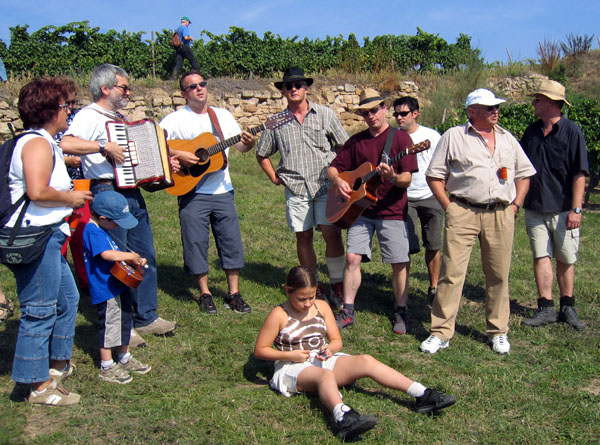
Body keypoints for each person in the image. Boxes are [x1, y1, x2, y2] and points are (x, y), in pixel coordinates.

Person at [254, 266, 456, 441]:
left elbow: (336, 341)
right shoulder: (279, 314)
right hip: (292, 367)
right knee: (325, 376)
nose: (307, 303)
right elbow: (260, 350)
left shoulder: (322, 307)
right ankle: (344, 417)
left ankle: (422, 394)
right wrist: (291, 356)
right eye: (301, 299)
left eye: (311, 297)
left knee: (366, 360)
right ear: (288, 291)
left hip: (321, 359)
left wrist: (330, 349)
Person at [59, 63, 176, 345]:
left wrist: (161, 164)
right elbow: (66, 143)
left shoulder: (120, 118)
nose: (128, 91)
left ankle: (145, 316)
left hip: (132, 191)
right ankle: (124, 326)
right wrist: (102, 147)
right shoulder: (89, 115)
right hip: (106, 190)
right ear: (106, 88)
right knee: (116, 258)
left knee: (144, 252)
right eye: (124, 87)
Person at [420, 88, 536, 355]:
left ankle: (498, 332)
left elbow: (524, 174)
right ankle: (440, 332)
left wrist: (516, 205)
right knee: (451, 274)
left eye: (496, 106)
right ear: (472, 112)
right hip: (463, 211)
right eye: (489, 107)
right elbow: (434, 176)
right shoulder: (454, 136)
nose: (496, 111)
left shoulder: (508, 138)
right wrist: (449, 207)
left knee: (498, 274)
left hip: (501, 214)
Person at [5, 77, 93, 405]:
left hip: (46, 233)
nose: (68, 111)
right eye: (65, 105)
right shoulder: (37, 144)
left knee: (68, 298)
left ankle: (56, 366)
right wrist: (70, 199)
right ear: (48, 110)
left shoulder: (43, 142)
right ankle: (37, 386)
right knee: (39, 309)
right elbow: (37, 191)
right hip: (35, 236)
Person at [160, 70, 255, 314]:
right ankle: (205, 293)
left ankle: (234, 292)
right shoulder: (175, 119)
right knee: (195, 242)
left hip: (223, 189)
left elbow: (241, 145)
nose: (199, 88)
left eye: (202, 84)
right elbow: (156, 142)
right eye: (192, 86)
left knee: (231, 241)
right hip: (191, 190)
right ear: (184, 93)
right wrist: (180, 154)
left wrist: (249, 142)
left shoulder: (221, 116)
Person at [327, 88, 418, 334]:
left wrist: (393, 176)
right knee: (352, 258)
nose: (371, 116)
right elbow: (333, 168)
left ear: (384, 109)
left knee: (399, 262)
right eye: (365, 112)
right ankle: (347, 310)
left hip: (392, 211)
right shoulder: (357, 141)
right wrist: (339, 182)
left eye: (375, 110)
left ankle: (401, 311)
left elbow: (407, 179)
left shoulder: (401, 140)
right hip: (360, 211)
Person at [256, 67, 348, 308]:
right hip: (296, 187)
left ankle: (338, 282)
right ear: (283, 91)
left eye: (298, 84)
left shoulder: (325, 115)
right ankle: (313, 284)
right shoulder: (275, 122)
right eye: (289, 86)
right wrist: (274, 177)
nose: (294, 89)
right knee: (304, 236)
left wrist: (339, 174)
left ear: (306, 87)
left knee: (331, 233)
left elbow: (344, 146)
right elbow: (262, 153)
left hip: (326, 186)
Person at [520, 80, 589, 330]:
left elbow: (580, 174)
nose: (533, 103)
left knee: (565, 258)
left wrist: (576, 208)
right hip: (535, 207)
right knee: (541, 256)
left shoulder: (572, 132)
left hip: (563, 210)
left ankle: (567, 307)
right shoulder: (531, 132)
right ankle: (545, 308)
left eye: (537, 99)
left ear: (550, 102)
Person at [82, 191, 151, 384]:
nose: (119, 226)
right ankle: (106, 366)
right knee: (109, 326)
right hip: (106, 289)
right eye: (116, 221)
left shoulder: (103, 228)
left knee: (124, 322)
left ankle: (124, 357)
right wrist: (131, 256)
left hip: (118, 285)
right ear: (103, 217)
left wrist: (132, 261)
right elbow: (106, 255)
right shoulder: (92, 230)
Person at [393, 96, 443, 302]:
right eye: (396, 114)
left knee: (433, 244)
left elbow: (443, 163)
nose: (399, 117)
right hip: (404, 196)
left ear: (415, 113)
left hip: (431, 195)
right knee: (405, 248)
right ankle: (403, 292)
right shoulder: (392, 137)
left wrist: (442, 188)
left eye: (403, 113)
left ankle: (434, 286)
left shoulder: (431, 136)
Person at [54, 75, 90, 292]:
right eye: (68, 103)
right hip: (59, 190)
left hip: (80, 184)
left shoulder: (76, 119)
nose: (72, 107)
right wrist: (67, 159)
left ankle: (85, 281)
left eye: (74, 102)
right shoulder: (51, 123)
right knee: (60, 238)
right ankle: (58, 280)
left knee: (82, 235)